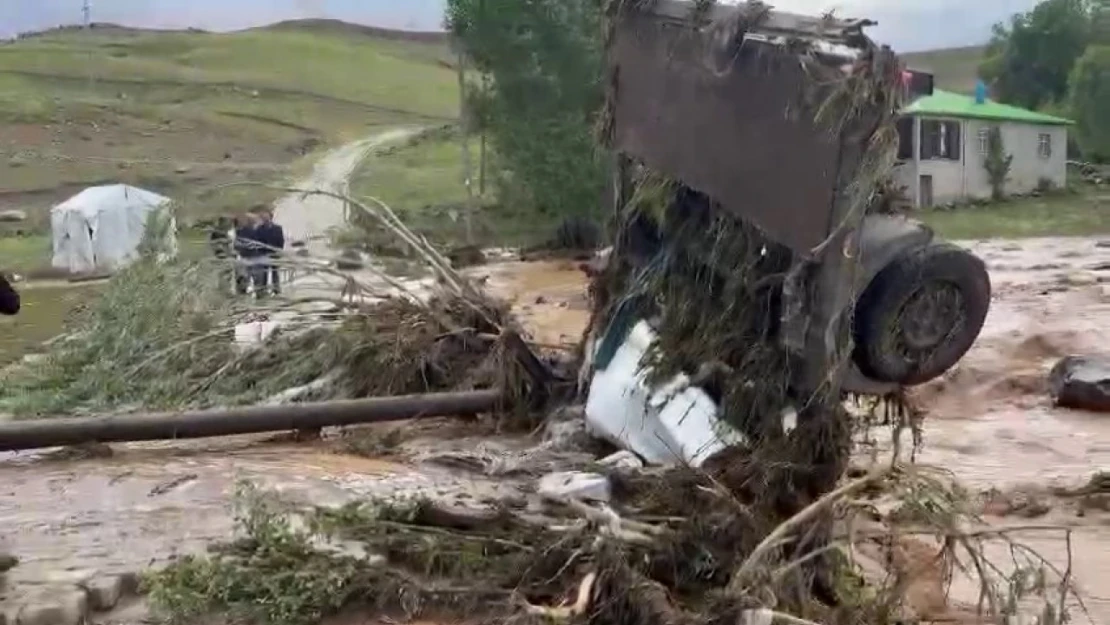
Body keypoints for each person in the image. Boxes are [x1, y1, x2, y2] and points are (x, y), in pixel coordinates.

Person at [253, 209, 285, 297]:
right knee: (264, 274)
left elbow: (281, 241)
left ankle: (276, 290)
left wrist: (279, 251)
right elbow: (257, 242)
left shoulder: (278, 228)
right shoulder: (259, 229)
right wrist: (260, 253)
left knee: (275, 273)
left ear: (270, 216)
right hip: (264, 254)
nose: (265, 218)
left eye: (266, 216)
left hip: (274, 254)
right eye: (263, 216)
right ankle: (264, 290)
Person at [232, 213, 261, 296]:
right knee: (244, 277)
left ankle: (252, 291)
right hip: (245, 257)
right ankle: (245, 291)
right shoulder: (242, 231)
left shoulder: (254, 231)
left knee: (254, 277)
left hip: (251, 257)